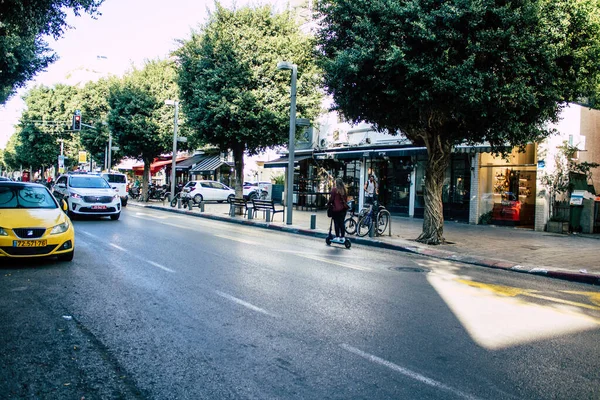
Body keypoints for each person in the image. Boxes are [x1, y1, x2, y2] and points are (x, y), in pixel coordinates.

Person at [327, 178, 348, 243]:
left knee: (336, 223)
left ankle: (337, 237)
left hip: (336, 209)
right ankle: (343, 237)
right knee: (342, 223)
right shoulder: (344, 190)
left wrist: (328, 204)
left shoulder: (334, 190)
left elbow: (331, 199)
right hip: (343, 209)